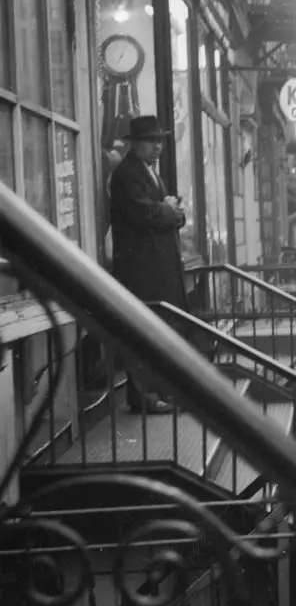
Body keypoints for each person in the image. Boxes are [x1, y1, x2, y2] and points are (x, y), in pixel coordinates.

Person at [109, 115, 188, 415]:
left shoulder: (149, 172)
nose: (157, 147)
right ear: (135, 144)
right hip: (141, 270)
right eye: (150, 141)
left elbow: (167, 213)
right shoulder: (126, 173)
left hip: (158, 269)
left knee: (158, 333)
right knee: (142, 333)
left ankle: (159, 393)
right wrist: (169, 211)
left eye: (159, 142)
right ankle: (143, 397)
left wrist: (173, 212)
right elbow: (145, 214)